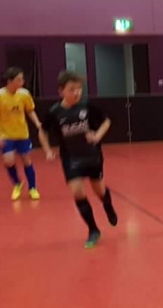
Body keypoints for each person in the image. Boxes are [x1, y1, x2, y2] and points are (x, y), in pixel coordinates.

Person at [38, 71, 118, 249]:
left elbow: (106, 121)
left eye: (79, 89)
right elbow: (42, 131)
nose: (76, 93)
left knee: (99, 190)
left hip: (92, 155)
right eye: (71, 89)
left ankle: (108, 205)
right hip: (71, 158)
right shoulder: (54, 112)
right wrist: (47, 150)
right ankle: (93, 229)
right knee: (77, 191)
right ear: (61, 91)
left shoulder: (87, 106)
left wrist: (97, 136)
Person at [0, 67, 44, 201]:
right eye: (19, 80)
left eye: (22, 79)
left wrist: (37, 123)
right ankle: (17, 184)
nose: (22, 82)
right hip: (6, 135)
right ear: (10, 81)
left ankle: (32, 188)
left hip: (22, 134)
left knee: (27, 160)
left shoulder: (24, 94)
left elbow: (30, 110)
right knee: (8, 161)